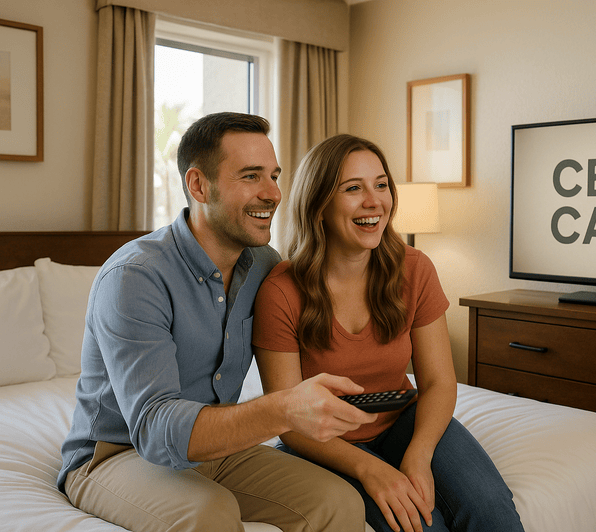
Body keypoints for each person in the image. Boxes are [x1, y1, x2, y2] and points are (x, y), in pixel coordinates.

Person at [57, 113, 378, 532]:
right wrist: (284, 410)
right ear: (197, 185)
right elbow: (154, 430)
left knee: (340, 501)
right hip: (119, 454)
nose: (273, 193)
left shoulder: (266, 265)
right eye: (250, 176)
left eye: (274, 176)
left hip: (223, 447)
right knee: (209, 514)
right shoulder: (135, 276)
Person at [252, 134, 525, 532]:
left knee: (493, 510)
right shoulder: (280, 290)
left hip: (404, 422)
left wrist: (419, 454)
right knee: (422, 525)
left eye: (381, 185)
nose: (374, 201)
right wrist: (371, 470)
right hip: (324, 444)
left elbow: (438, 381)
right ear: (320, 204)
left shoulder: (415, 269)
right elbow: (289, 422)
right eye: (353, 188)